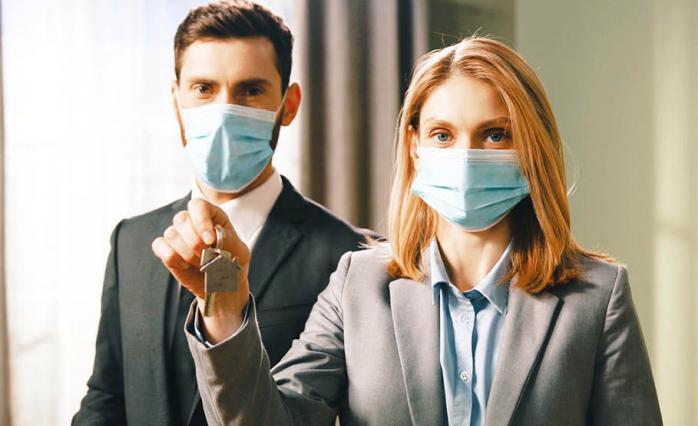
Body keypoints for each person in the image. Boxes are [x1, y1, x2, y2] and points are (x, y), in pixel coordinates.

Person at [179, 37, 664, 425]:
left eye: (495, 134)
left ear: (531, 148)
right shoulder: (357, 284)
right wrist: (224, 308)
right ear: (414, 146)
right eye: (443, 135)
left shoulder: (597, 297)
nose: (466, 156)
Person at [72, 1, 374, 425]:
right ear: (176, 100)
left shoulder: (352, 257)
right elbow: (106, 395)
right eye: (204, 88)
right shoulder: (131, 240)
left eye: (250, 90)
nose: (224, 110)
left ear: (288, 105)